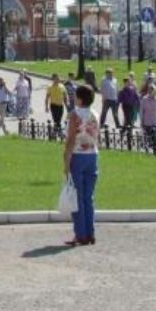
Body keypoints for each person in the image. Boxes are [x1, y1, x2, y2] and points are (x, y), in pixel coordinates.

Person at [63, 84, 100, 246]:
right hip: (92, 155)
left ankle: (80, 234)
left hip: (78, 155)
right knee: (88, 197)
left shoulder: (75, 114)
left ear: (79, 99)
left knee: (76, 196)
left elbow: (71, 138)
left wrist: (66, 159)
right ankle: (90, 233)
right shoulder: (95, 113)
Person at [139, 83, 156, 151]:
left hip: (155, 121)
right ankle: (149, 147)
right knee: (149, 135)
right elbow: (141, 111)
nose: (151, 91)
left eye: (152, 89)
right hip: (147, 121)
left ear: (155, 90)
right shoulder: (144, 99)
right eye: (150, 89)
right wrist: (141, 121)